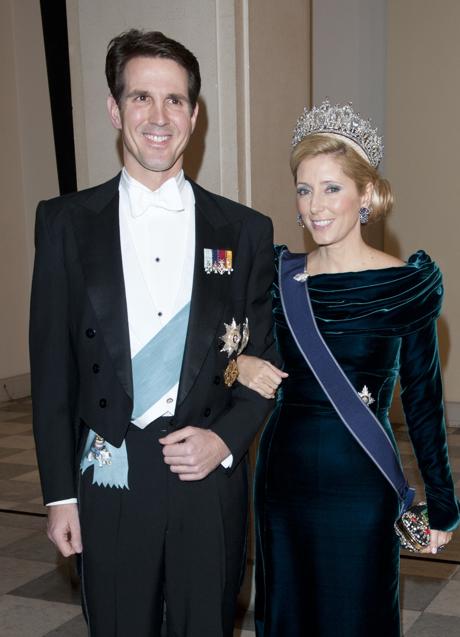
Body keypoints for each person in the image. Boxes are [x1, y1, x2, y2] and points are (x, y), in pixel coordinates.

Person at [29, 29, 279, 637]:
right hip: (112, 472)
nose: (158, 117)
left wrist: (224, 441)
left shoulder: (244, 230)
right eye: (141, 98)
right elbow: (52, 371)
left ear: (194, 115)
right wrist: (60, 494)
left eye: (174, 101)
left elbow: (264, 357)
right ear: (115, 109)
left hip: (206, 473)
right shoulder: (65, 222)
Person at [237, 100, 460, 636]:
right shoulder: (279, 276)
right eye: (305, 188)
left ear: (366, 194)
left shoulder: (404, 284)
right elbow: (218, 343)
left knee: (356, 616)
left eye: (332, 188)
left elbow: (425, 401)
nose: (315, 206)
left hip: (360, 480)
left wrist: (443, 504)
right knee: (287, 614)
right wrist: (236, 365)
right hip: (282, 474)